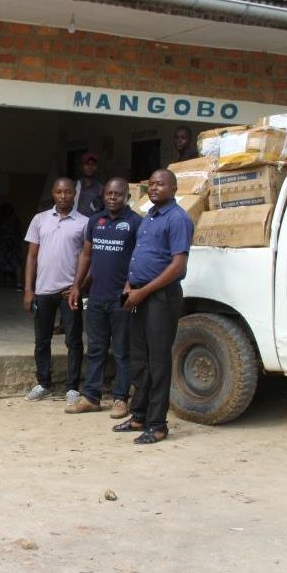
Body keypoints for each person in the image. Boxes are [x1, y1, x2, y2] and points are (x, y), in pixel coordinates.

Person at [114, 169, 194, 444]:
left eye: (161, 184)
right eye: (151, 185)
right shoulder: (148, 216)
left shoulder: (178, 219)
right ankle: (139, 416)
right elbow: (140, 257)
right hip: (138, 294)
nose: (154, 188)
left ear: (173, 188)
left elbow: (177, 266)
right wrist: (129, 285)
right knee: (139, 358)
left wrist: (143, 291)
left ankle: (158, 425)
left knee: (158, 361)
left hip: (160, 297)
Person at [66, 178, 143, 418]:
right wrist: (77, 286)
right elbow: (86, 256)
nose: (112, 198)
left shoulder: (135, 223)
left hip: (121, 298)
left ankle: (121, 399)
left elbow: (140, 257)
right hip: (97, 296)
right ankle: (91, 397)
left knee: (121, 351)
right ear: (104, 195)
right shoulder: (94, 221)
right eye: (109, 193)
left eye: (117, 194)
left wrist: (132, 284)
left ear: (126, 196)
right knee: (96, 349)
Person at [23, 177, 88, 404]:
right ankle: (43, 383)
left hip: (69, 292)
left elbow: (88, 259)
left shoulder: (83, 222)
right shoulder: (39, 220)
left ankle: (72, 387)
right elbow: (31, 257)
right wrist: (29, 290)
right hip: (43, 290)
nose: (63, 196)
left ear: (74, 194)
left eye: (68, 192)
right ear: (53, 193)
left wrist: (78, 287)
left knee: (73, 339)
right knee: (42, 339)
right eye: (59, 192)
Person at [74, 152, 105, 217]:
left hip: (92, 224)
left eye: (93, 164)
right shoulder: (74, 185)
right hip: (73, 224)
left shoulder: (101, 189)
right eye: (87, 164)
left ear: (97, 168)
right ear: (81, 167)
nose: (90, 167)